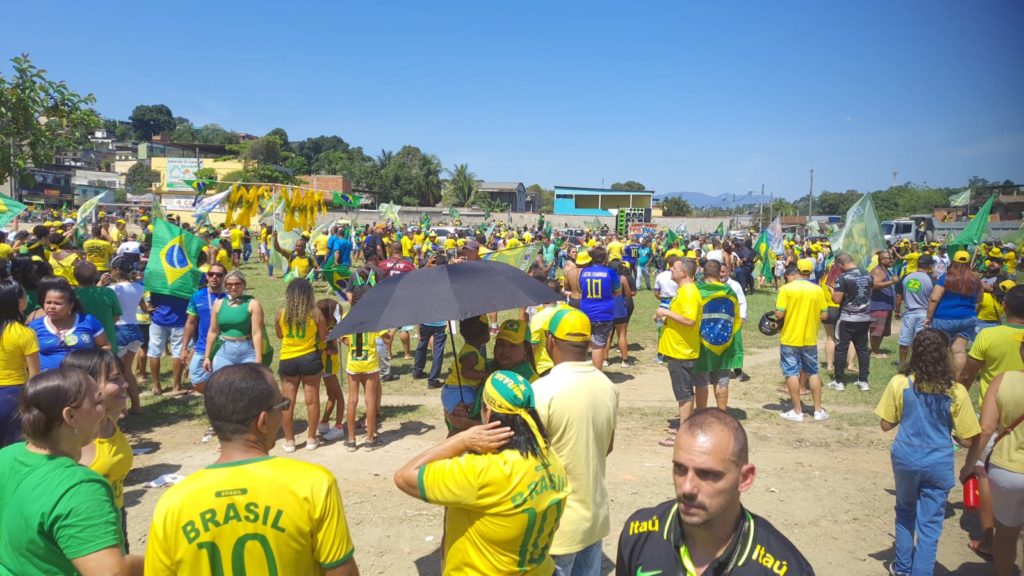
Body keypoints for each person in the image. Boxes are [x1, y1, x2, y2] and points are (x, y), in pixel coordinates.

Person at [145, 363, 359, 575]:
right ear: (263, 422)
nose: (284, 412)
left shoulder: (172, 505)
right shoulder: (313, 485)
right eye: (283, 406)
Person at [394, 370, 570, 575]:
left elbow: (404, 476)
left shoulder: (483, 472)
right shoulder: (551, 457)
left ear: (487, 411)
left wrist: (464, 439)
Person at [615, 409, 814, 576]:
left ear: (745, 479)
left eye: (707, 474)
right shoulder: (638, 534)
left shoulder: (786, 568)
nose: (687, 488)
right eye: (680, 469)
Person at [0, 368, 143, 575]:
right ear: (71, 416)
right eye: (97, 402)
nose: (104, 410)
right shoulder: (80, 488)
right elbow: (111, 572)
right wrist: (160, 559)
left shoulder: (6, 456)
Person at [875, 329, 981, 576]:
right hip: (938, 459)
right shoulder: (955, 391)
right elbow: (967, 440)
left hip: (906, 457)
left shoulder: (899, 382)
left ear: (915, 352)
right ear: (945, 354)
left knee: (905, 512)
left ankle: (902, 568)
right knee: (930, 525)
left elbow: (885, 424)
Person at [532, 307, 619, 575]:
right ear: (588, 342)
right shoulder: (608, 387)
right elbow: (608, 447)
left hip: (556, 525)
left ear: (550, 341)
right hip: (594, 518)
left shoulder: (540, 391)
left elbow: (528, 459)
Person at [958, 285, 1024, 561]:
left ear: (1005, 306)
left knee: (983, 475)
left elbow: (968, 374)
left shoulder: (989, 335)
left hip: (997, 419)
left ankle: (987, 538)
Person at [63, 349, 135, 547]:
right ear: (87, 387)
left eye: (123, 377)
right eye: (115, 379)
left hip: (115, 517)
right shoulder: (76, 439)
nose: (126, 384)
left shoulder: (109, 421)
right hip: (87, 531)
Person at [962, 357, 1024, 576]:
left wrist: (970, 464)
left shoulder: (1003, 381)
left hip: (1008, 469)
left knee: (1006, 533)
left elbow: (987, 429)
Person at [275, 278, 328, 452]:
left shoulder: (281, 313)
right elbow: (323, 337)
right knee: (312, 401)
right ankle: (311, 439)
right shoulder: (316, 313)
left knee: (287, 402)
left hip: (288, 358)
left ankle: (289, 441)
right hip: (310, 358)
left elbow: (280, 335)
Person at [656, 257, 703, 446]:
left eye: (674, 268)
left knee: (683, 393)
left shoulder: (689, 293)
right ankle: (685, 428)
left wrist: (665, 313)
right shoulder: (683, 291)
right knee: (683, 392)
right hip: (677, 348)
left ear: (684, 272)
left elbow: (690, 320)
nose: (671, 270)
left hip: (681, 350)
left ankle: (684, 433)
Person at [776, 260, 830, 422]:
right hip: (809, 338)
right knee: (813, 372)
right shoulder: (817, 290)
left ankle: (797, 411)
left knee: (791, 372)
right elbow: (825, 315)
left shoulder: (786, 289)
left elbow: (779, 314)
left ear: (797, 271)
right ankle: (818, 410)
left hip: (790, 337)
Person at [29, 279, 110, 371]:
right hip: (48, 381)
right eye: (48, 302)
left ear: (71, 305)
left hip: (83, 379)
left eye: (57, 303)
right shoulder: (34, 326)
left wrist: (93, 364)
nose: (51, 307)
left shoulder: (88, 321)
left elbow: (105, 346)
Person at [343, 286, 388, 451]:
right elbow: (387, 340)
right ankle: (370, 439)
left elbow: (346, 341)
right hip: (370, 364)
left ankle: (351, 439)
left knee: (352, 399)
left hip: (353, 363)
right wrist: (393, 327)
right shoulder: (374, 317)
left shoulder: (348, 316)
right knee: (370, 400)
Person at [695, 260, 743, 411]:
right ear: (719, 273)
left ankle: (701, 412)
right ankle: (722, 413)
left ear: (704, 273)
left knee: (701, 381)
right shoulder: (730, 292)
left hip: (702, 343)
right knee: (722, 381)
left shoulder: (697, 291)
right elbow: (737, 316)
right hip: (725, 342)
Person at [926, 250, 982, 375]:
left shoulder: (945, 278)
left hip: (944, 318)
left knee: (940, 349)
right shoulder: (976, 280)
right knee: (960, 352)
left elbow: (934, 298)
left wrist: (928, 317)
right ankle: (957, 381)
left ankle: (939, 377)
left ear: (953, 262)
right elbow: (979, 301)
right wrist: (972, 314)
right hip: (968, 318)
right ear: (968, 264)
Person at [0, 278, 40, 447]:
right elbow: (34, 375)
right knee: (12, 447)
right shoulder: (24, 333)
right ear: (19, 302)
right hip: (12, 395)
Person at [829, 252, 874, 392]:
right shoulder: (868, 275)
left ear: (841, 264)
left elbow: (837, 299)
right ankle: (863, 380)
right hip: (864, 317)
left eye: (838, 266)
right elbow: (868, 294)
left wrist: (831, 290)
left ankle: (839, 381)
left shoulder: (843, 277)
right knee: (863, 349)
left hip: (847, 318)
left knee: (841, 348)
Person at [204, 270, 265, 372]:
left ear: (244, 285)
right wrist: (207, 357)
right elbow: (213, 332)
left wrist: (258, 359)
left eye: (237, 284)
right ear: (225, 286)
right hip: (224, 350)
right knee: (222, 385)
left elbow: (257, 333)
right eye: (229, 284)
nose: (233, 287)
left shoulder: (253, 304)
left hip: (247, 350)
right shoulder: (218, 304)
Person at [180, 263, 227, 394]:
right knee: (196, 379)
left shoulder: (228, 297)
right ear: (206, 276)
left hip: (224, 346)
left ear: (224, 277)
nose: (214, 277)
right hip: (202, 345)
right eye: (211, 274)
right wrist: (184, 348)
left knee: (224, 378)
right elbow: (190, 322)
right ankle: (214, 396)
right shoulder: (197, 296)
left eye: (219, 275)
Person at [442, 316, 490, 432]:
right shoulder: (471, 354)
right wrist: (482, 375)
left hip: (461, 388)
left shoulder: (471, 349)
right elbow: (465, 372)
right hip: (458, 390)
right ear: (483, 335)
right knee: (464, 415)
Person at [579, 247, 621, 369]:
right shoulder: (610, 273)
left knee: (584, 345)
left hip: (586, 311)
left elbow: (582, 289)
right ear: (605, 258)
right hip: (604, 313)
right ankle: (598, 374)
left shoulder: (584, 272)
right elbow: (618, 291)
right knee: (598, 346)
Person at [315, 298, 348, 444]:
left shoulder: (327, 331)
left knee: (334, 396)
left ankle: (328, 423)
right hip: (325, 367)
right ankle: (333, 424)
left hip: (327, 366)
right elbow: (333, 350)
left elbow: (333, 350)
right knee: (336, 397)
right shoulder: (324, 330)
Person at [74, 261, 122, 357]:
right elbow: (116, 317)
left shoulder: (72, 294)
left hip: (81, 344)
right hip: (106, 343)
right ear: (96, 275)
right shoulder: (108, 293)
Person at [147, 290, 190, 396]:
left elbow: (140, 288)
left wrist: (145, 306)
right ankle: (176, 386)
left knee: (154, 352)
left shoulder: (156, 274)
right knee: (177, 352)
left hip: (158, 318)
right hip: (179, 318)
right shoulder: (185, 275)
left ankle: (156, 386)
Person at [899, 255, 935, 368]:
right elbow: (934, 298)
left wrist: (896, 311)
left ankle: (902, 364)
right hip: (924, 313)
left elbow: (899, 296)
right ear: (930, 266)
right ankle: (917, 364)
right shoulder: (932, 279)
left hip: (909, 312)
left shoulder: (906, 277)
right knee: (921, 341)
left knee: (904, 341)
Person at [869, 250, 898, 358]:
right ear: (881, 260)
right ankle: (874, 352)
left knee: (882, 330)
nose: (891, 260)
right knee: (877, 330)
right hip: (878, 305)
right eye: (888, 258)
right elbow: (875, 285)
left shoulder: (886, 270)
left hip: (885, 305)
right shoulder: (877, 270)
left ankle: (876, 350)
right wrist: (891, 282)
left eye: (891, 258)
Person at [653, 255, 681, 364]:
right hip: (676, 305)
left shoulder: (660, 276)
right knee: (675, 329)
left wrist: (662, 298)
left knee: (660, 330)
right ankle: (673, 352)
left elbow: (656, 292)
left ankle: (660, 355)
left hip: (663, 305)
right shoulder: (679, 276)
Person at [492, 318, 539, 382]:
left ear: (526, 350)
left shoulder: (532, 383)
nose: (505, 350)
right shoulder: (483, 368)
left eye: (512, 345)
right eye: (501, 344)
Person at [412, 318, 448, 390]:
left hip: (425, 322)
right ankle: (433, 380)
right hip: (440, 324)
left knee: (422, 346)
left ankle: (417, 372)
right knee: (438, 351)